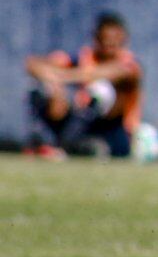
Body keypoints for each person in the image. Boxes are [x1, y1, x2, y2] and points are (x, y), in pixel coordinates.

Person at [22, 12, 142, 158]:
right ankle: (43, 141)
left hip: (114, 131)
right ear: (96, 39)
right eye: (105, 42)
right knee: (40, 88)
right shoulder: (83, 58)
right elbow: (32, 64)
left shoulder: (129, 66)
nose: (110, 48)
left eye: (115, 43)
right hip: (79, 125)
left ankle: (69, 146)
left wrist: (62, 77)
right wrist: (55, 86)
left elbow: (101, 74)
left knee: (101, 91)